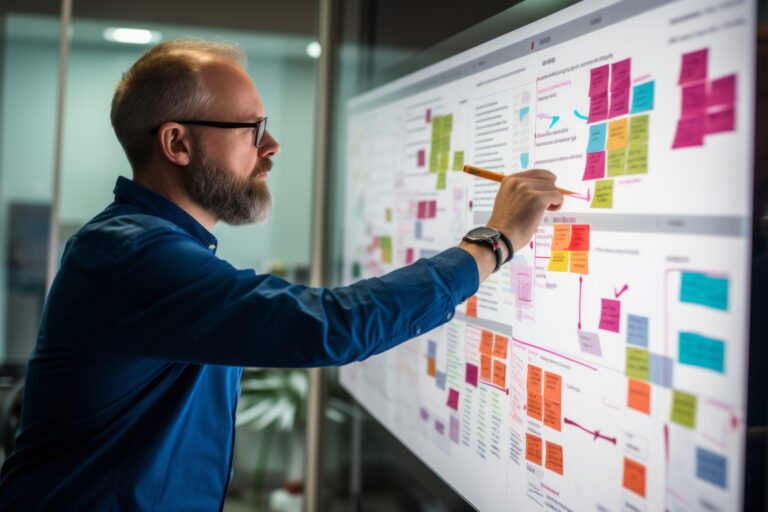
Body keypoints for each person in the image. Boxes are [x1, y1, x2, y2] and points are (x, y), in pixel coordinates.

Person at [0, 39, 563, 510]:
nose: (271, 146)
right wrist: (493, 242)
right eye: (252, 129)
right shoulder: (132, 256)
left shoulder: (147, 246)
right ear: (177, 143)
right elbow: (330, 326)